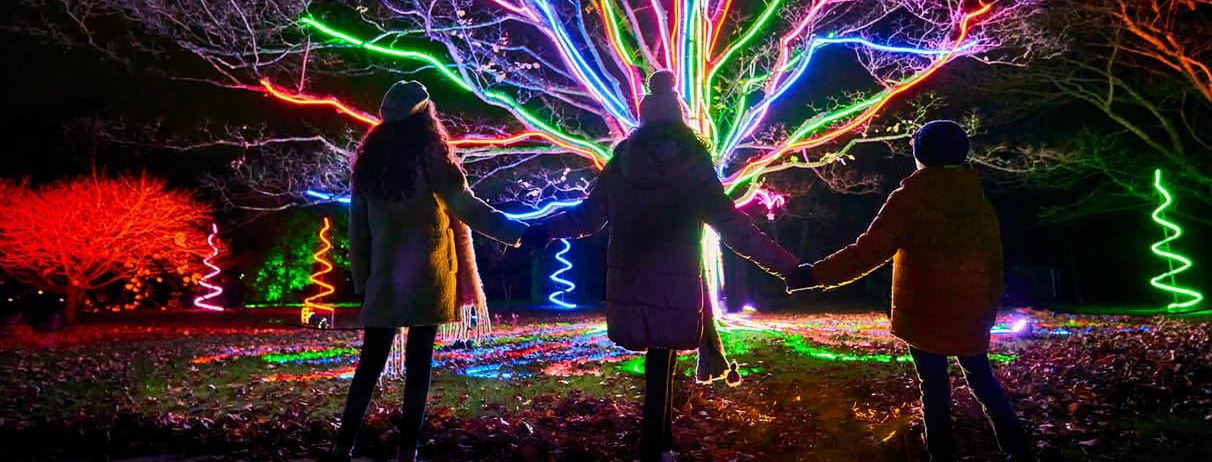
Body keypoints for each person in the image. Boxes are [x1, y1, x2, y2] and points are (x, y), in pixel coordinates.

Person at [524, 71, 800, 462]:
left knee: (658, 358)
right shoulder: (694, 168)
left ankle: (659, 441)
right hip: (677, 279)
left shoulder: (621, 164)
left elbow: (586, 218)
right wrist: (788, 267)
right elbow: (734, 227)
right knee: (663, 357)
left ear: (643, 120)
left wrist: (543, 230)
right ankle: (657, 444)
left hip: (631, 275)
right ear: (680, 120)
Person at [787, 120, 1031, 462]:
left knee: (934, 389)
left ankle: (942, 456)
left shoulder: (910, 198)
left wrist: (815, 274)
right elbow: (994, 259)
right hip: (970, 310)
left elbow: (868, 251)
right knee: (982, 378)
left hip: (924, 311)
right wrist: (987, 309)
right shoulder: (977, 199)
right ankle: (1018, 449)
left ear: (919, 157)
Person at [329, 80, 529, 462]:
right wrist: (521, 233)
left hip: (384, 279)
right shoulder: (432, 156)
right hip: (427, 275)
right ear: (425, 115)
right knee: (419, 365)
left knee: (370, 363)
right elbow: (467, 208)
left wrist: (363, 280)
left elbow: (359, 228)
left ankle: (343, 445)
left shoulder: (369, 163)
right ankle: (408, 450)